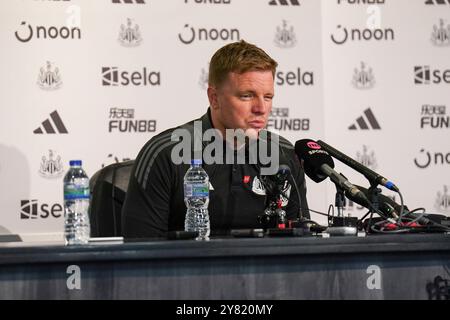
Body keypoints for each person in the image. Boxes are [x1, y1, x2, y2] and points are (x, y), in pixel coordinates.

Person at [122, 40, 309, 238]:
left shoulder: (283, 155)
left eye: (268, 97)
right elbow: (140, 251)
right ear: (214, 98)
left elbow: (300, 243)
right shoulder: (165, 154)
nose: (261, 108)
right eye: (247, 96)